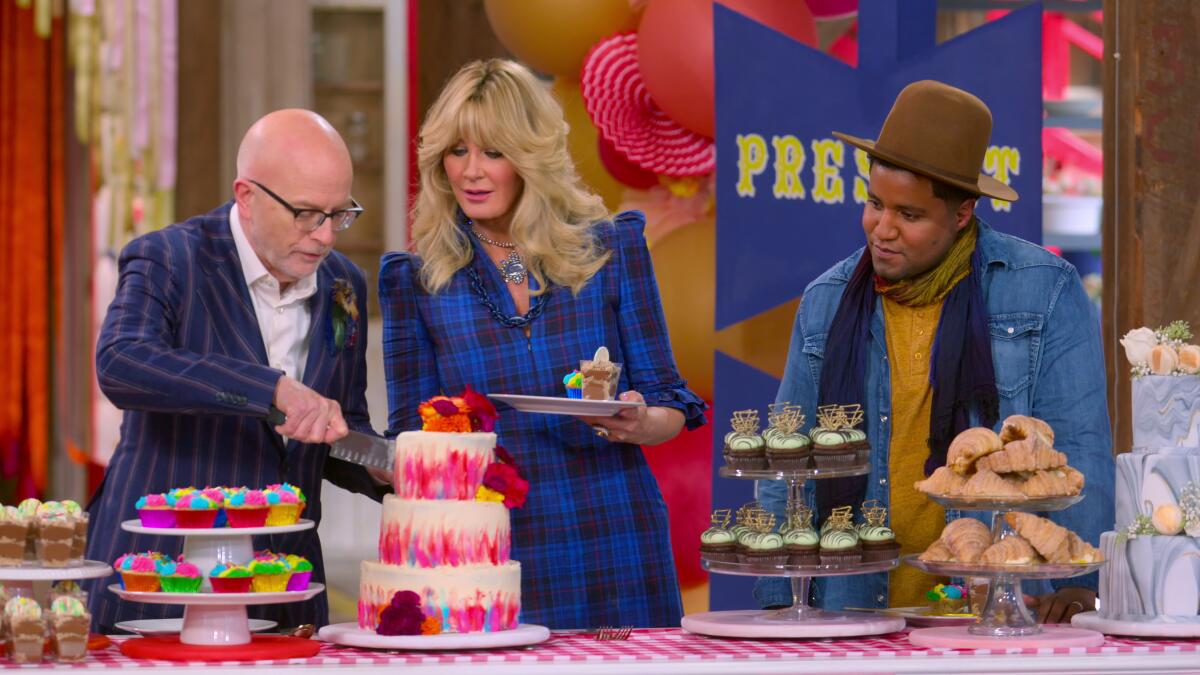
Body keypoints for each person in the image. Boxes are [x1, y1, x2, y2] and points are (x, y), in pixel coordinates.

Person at [755, 80, 1113, 623]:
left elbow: (1080, 459)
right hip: (850, 610)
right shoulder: (827, 302)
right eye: (875, 204)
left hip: (997, 605)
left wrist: (1080, 584)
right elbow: (789, 463)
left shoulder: (1046, 291)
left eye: (910, 215)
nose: (883, 229)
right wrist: (782, 603)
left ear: (963, 213)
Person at [379, 59, 706, 629]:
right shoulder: (415, 278)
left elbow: (670, 403)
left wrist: (636, 419)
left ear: (530, 156)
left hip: (615, 530)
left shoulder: (612, 249)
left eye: (493, 152)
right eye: (457, 151)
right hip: (490, 546)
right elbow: (410, 434)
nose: (471, 172)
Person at [88, 109, 389, 632]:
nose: (324, 237)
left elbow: (337, 426)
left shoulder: (344, 283)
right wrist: (269, 389)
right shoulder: (170, 257)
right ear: (246, 196)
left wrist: (380, 463)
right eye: (306, 213)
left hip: (286, 586)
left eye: (339, 214)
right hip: (161, 578)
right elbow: (122, 362)